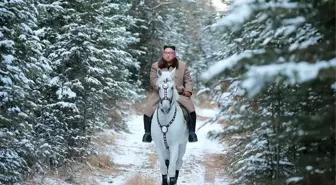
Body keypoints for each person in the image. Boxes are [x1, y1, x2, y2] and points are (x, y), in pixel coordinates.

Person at [142, 45, 198, 143]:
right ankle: (147, 133)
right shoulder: (155, 66)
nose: (168, 55)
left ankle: (192, 133)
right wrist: (159, 87)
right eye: (166, 53)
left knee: (191, 110)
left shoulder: (182, 66)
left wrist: (188, 90)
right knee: (148, 109)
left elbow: (188, 80)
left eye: (171, 53)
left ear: (174, 54)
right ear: (163, 54)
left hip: (179, 94)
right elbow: (153, 79)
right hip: (160, 93)